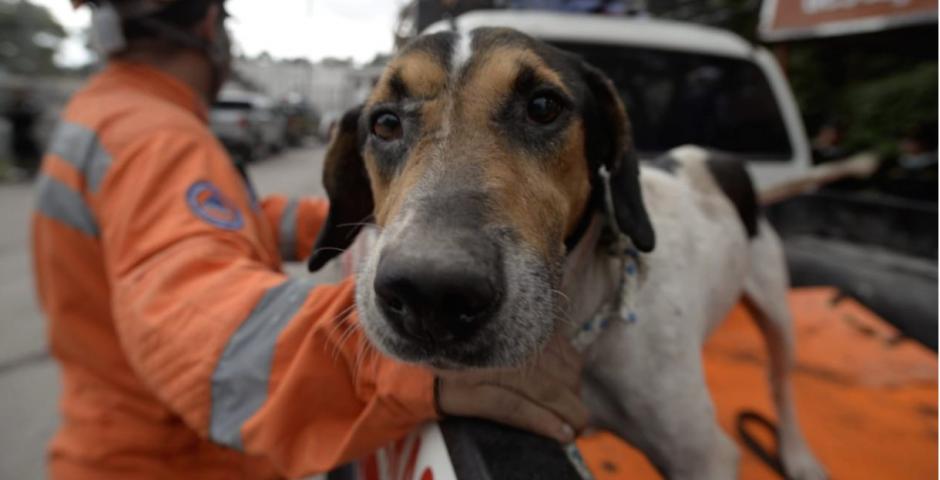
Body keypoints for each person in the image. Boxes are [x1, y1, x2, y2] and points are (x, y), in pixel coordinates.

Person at [32, 1, 587, 478]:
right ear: (207, 26)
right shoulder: (156, 139)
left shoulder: (103, 114)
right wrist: (389, 364)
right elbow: (198, 327)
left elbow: (219, 223)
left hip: (109, 436)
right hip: (168, 463)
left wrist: (376, 214)